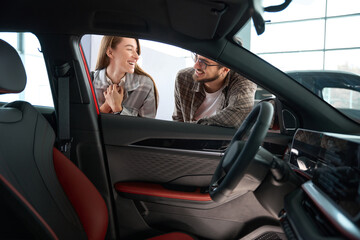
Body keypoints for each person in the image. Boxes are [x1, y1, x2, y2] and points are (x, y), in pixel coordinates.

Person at [172, 53, 257, 128]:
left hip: (223, 144)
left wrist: (193, 127)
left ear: (225, 69)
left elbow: (238, 115)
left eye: (204, 62)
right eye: (196, 58)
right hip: (188, 141)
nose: (195, 66)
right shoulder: (184, 78)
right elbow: (178, 119)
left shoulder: (242, 81)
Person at [93, 36, 158, 118]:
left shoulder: (145, 85)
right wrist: (106, 107)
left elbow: (147, 129)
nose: (137, 56)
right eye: (130, 49)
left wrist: (118, 109)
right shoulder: (88, 82)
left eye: (136, 51)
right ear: (110, 52)